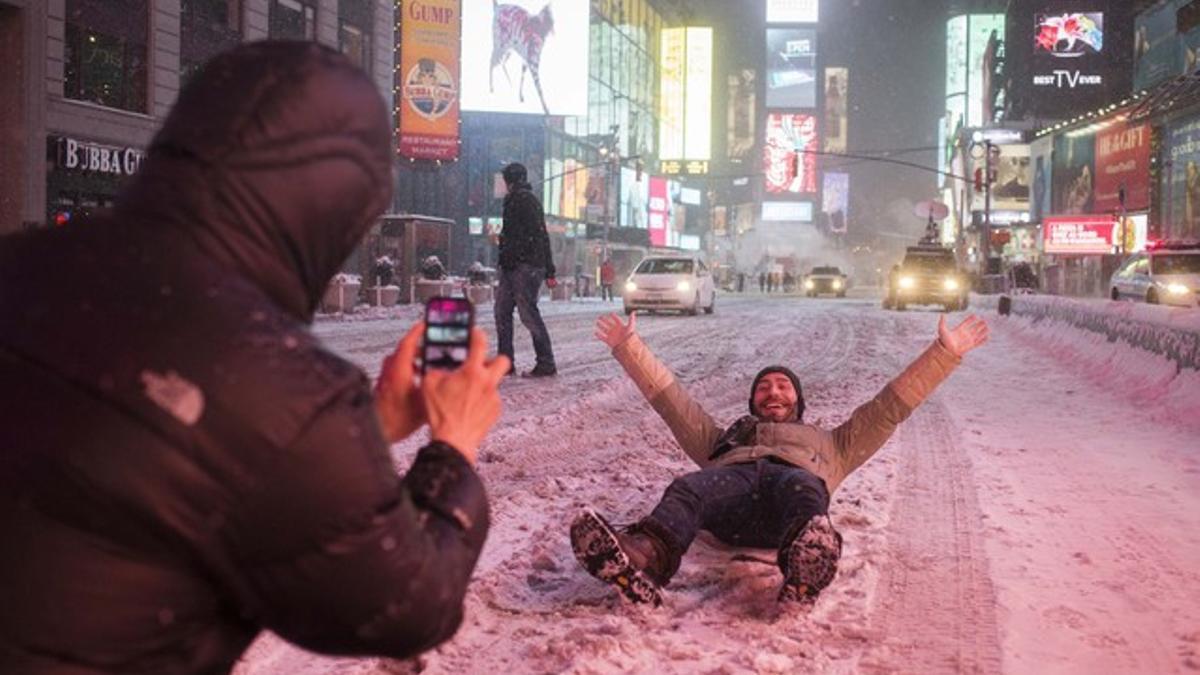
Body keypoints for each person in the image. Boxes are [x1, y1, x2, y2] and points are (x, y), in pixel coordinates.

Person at [0, 42, 511, 672]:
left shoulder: (21, 263)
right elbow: (405, 602)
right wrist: (453, 445)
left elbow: (189, 464)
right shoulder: (283, 388)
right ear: (333, 210)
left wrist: (364, 432)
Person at [571, 311, 989, 606]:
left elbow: (888, 407)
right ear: (753, 401)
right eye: (764, 387)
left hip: (788, 516)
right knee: (689, 487)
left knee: (804, 486)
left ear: (798, 401)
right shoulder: (724, 443)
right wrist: (629, 348)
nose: (773, 392)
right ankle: (641, 557)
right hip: (730, 504)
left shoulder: (833, 445)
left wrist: (943, 354)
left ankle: (806, 565)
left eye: (783, 386)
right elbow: (671, 401)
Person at [493, 161, 558, 377]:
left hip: (525, 265)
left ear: (511, 180)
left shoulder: (525, 201)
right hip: (514, 265)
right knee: (502, 311)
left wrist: (548, 269)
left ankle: (546, 362)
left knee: (527, 313)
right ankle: (505, 361)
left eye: (505, 180)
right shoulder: (514, 200)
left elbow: (539, 235)